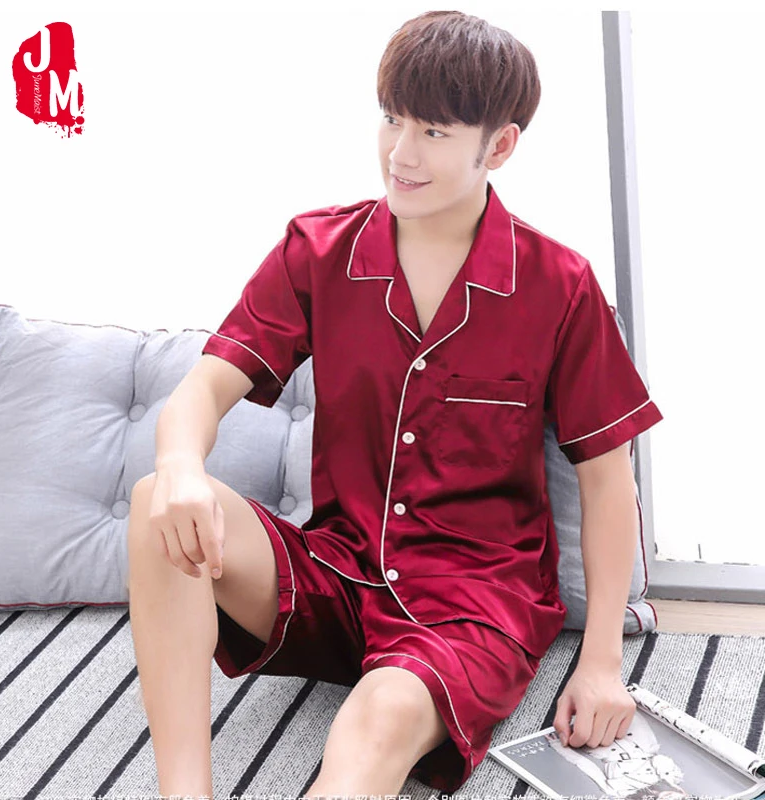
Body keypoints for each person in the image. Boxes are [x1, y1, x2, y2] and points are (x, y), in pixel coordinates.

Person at [127, 9, 664, 800]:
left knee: (378, 719)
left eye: (434, 132)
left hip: (473, 607)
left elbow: (607, 481)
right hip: (336, 574)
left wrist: (602, 664)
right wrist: (179, 466)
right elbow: (204, 387)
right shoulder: (317, 251)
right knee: (156, 499)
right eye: (391, 119)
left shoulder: (560, 286)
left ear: (499, 146)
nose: (400, 154)